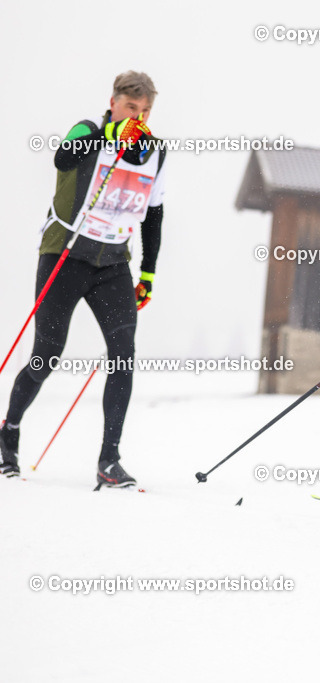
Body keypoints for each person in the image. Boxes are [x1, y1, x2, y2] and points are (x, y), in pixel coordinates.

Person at [0, 71, 167, 488]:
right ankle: (9, 432)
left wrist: (147, 272)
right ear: (113, 102)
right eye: (131, 108)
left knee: (123, 356)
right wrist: (109, 134)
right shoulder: (89, 129)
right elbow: (63, 158)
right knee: (48, 353)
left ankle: (109, 461)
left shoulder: (154, 152)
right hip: (65, 255)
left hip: (113, 264)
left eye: (145, 111)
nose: (139, 117)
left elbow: (155, 214)